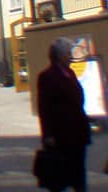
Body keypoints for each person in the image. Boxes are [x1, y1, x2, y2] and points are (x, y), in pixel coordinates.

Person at [36, 37, 90, 191]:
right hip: (61, 134)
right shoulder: (47, 76)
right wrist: (47, 135)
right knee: (59, 175)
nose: (70, 55)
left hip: (78, 132)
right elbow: (44, 108)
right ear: (59, 55)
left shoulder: (70, 72)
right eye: (68, 52)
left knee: (79, 173)